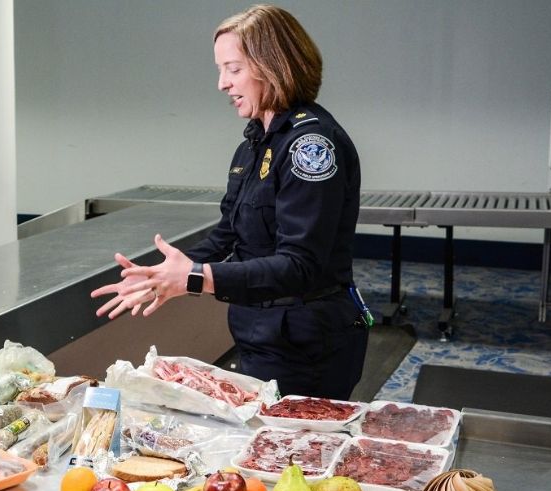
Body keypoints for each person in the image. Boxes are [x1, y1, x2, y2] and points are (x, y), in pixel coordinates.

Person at [91, 4, 368, 400]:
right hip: (261, 331)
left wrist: (194, 278)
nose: (222, 83)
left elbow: (300, 265)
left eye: (234, 69)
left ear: (275, 66)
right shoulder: (255, 143)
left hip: (308, 345)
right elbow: (228, 236)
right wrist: (170, 271)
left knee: (296, 457)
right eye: (220, 70)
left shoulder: (310, 146)